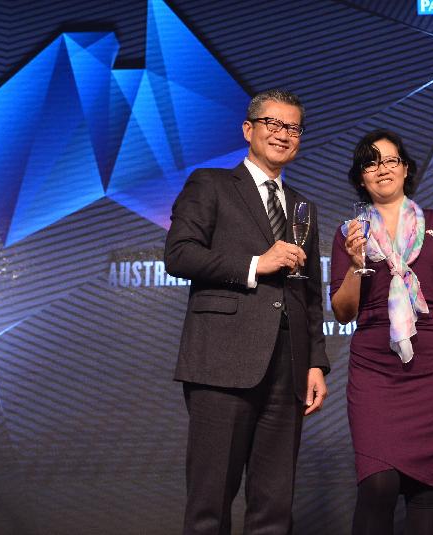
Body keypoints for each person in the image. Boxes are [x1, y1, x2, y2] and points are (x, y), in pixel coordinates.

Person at [164, 89, 329, 535]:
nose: (282, 134)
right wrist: (257, 264)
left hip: (288, 367)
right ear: (248, 129)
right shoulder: (211, 184)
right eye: (273, 124)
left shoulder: (302, 207)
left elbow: (310, 293)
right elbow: (179, 255)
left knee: (274, 505)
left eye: (292, 128)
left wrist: (315, 362)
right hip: (222, 361)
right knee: (210, 502)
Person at [330, 129, 433, 534]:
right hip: (374, 369)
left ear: (407, 169)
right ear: (361, 177)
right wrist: (356, 264)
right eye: (371, 162)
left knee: (425, 490)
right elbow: (343, 312)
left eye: (391, 160)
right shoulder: (350, 233)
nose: (382, 169)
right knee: (378, 484)